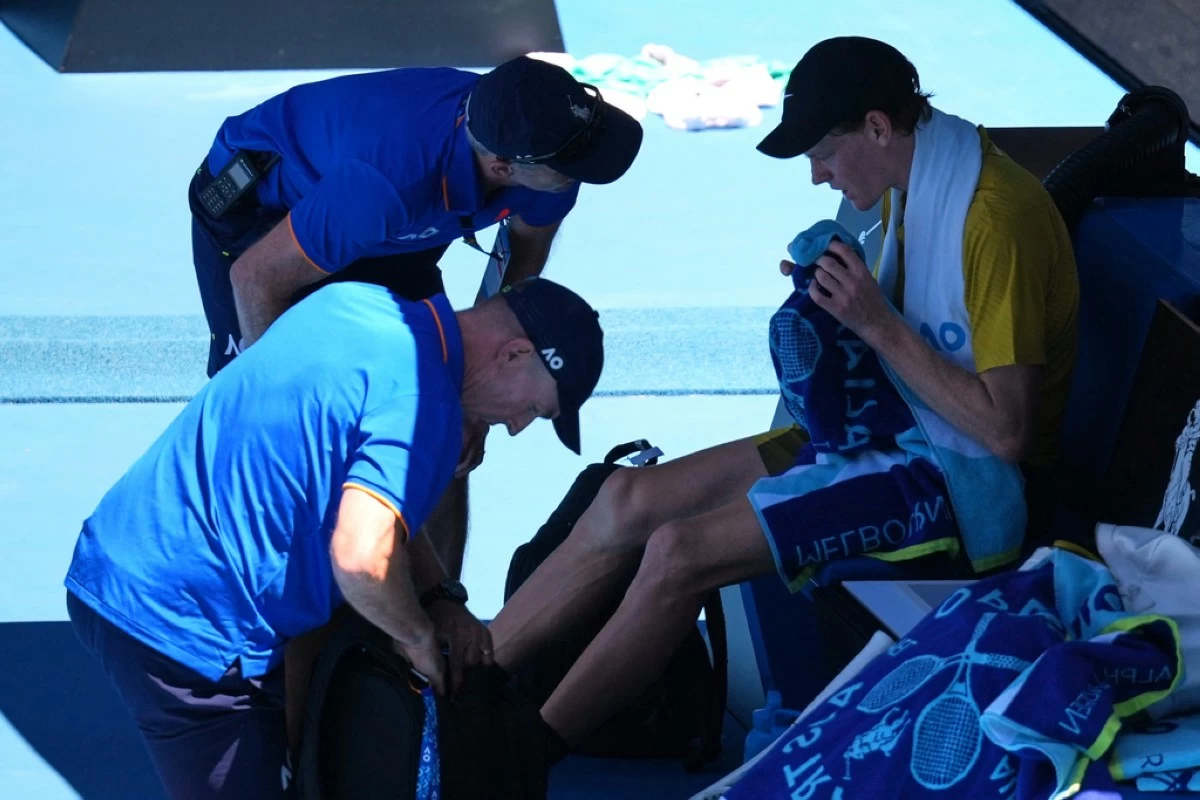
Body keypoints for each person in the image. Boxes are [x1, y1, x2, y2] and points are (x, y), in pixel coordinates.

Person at [488, 36, 1080, 753]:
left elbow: (1005, 434)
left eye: (822, 152)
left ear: (878, 126)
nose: (816, 175)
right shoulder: (922, 179)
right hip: (897, 426)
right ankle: (474, 679)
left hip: (962, 477)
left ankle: (515, 757)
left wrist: (871, 320)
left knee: (679, 553)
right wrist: (831, 306)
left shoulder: (994, 220)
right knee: (625, 500)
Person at [64, 276, 605, 798]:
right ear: (514, 354)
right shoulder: (425, 409)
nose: (516, 427)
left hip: (115, 553)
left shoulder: (358, 304)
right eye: (536, 409)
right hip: (186, 630)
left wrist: (438, 594)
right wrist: (417, 639)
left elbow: (358, 499)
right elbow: (361, 557)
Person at [190, 53, 641, 582]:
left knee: (447, 418)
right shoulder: (392, 174)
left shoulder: (551, 150)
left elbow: (515, 281)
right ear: (502, 167)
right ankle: (253, 588)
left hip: (392, 226)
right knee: (280, 426)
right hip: (266, 214)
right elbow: (255, 281)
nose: (580, 174)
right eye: (571, 168)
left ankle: (445, 616)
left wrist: (473, 395)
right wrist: (295, 420)